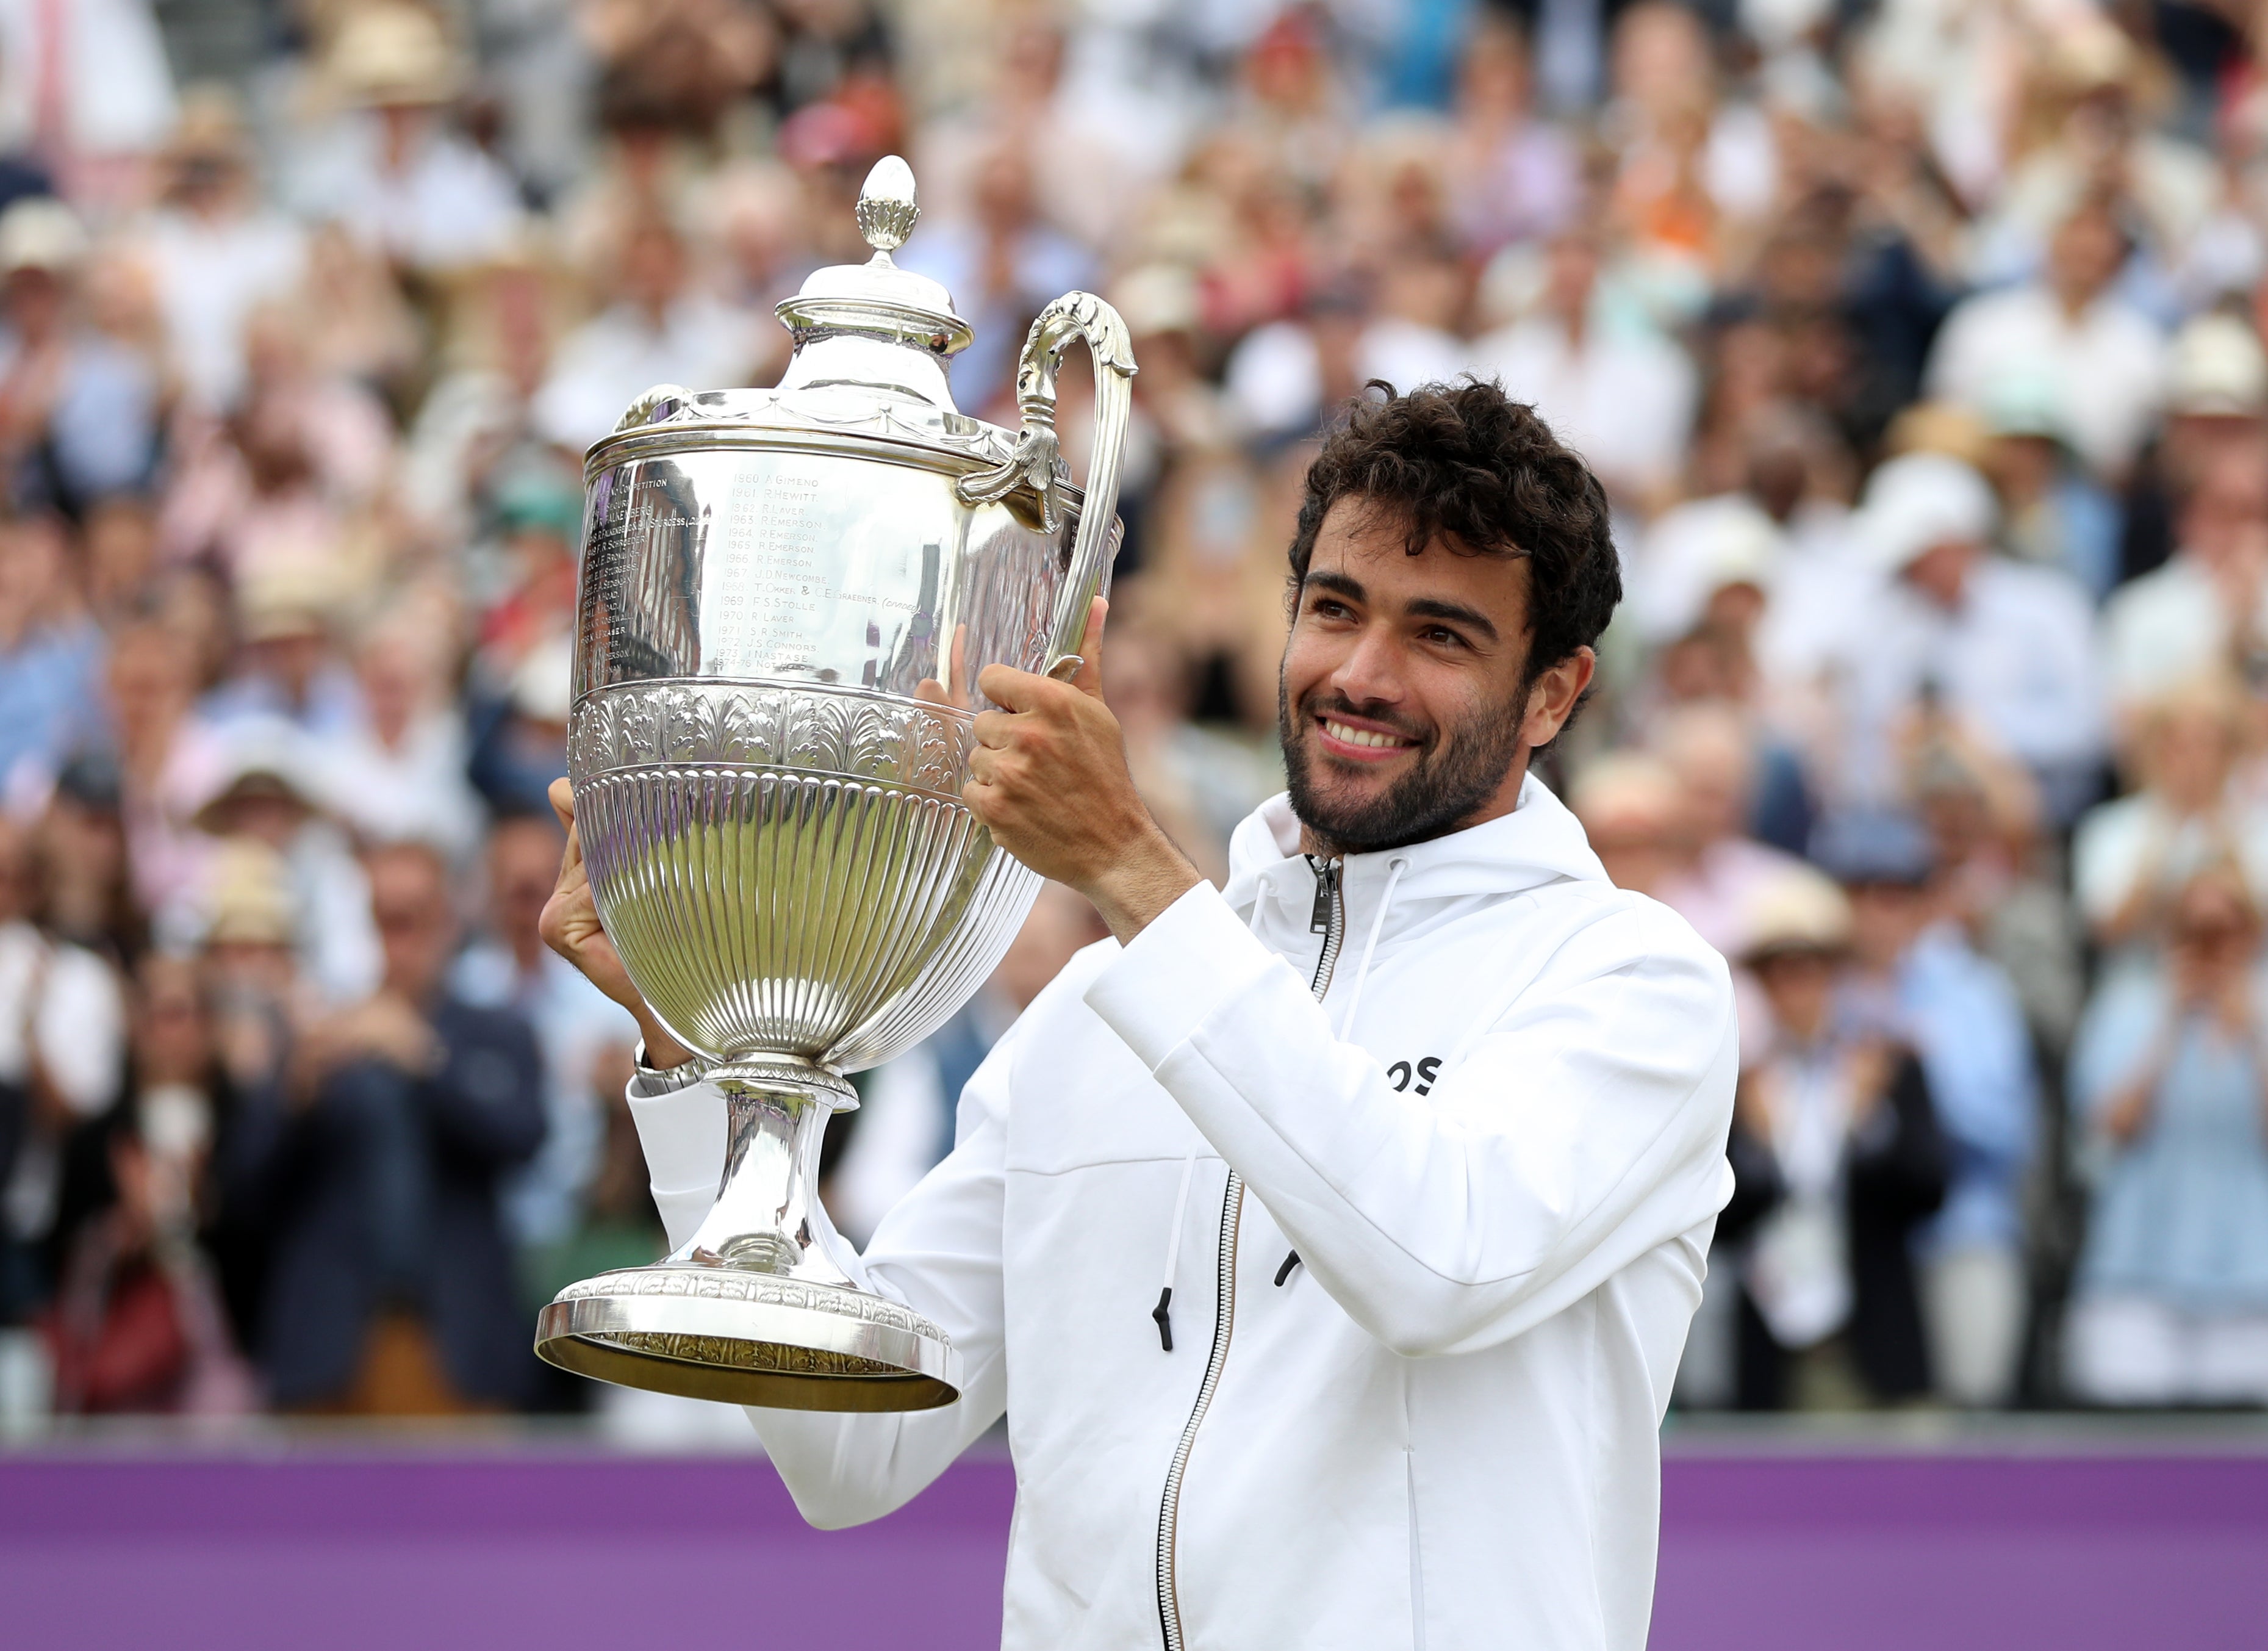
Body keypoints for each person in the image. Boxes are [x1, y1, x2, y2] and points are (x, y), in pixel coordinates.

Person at [542, 383, 1737, 1647]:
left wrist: (1131, 873)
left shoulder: (1628, 983)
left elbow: (1431, 1266)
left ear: (1552, 695)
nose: (1361, 675)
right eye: (1333, 610)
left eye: (1440, 636)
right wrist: (691, 1045)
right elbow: (853, 1451)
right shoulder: (1095, 1011)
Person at [222, 840, 544, 1414]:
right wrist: (297, 1091)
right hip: (329, 1345)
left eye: (413, 919)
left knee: (469, 1504)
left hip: (459, 1340)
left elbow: (524, 1137)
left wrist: (426, 1058)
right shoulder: (322, 1037)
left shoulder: (494, 1032)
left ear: (447, 922)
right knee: (319, 1506)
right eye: (385, 920)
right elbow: (245, 1186)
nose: (399, 940)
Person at [1725, 868, 1948, 1411]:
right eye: (1778, 973)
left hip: (1876, 1334)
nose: (1795, 988)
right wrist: (1756, 1149)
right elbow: (1719, 1220)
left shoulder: (1886, 1067)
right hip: (1774, 1340)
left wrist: (1869, 1122)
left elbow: (1930, 1188)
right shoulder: (1740, 1082)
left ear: (1834, 974)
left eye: (1809, 969)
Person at [2065, 865, 2268, 1406]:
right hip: (2136, 1279)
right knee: (2131, 1471)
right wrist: (2171, 1026)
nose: (2211, 949)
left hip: (2252, 1284)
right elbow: (2110, 1128)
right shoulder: (2128, 1007)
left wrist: (2251, 1035)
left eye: (2226, 932)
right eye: (2193, 932)